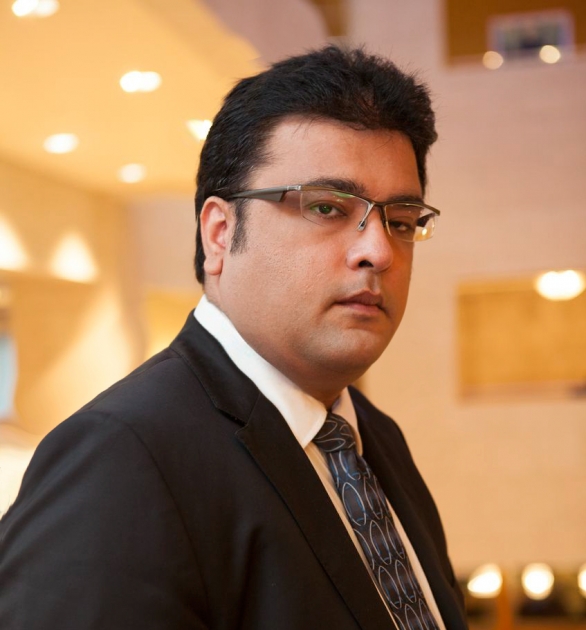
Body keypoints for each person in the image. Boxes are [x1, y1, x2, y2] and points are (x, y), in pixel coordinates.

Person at [0, 46, 468, 629]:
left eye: (400, 222)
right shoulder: (121, 458)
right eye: (327, 208)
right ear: (220, 233)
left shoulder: (371, 436)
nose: (378, 251)